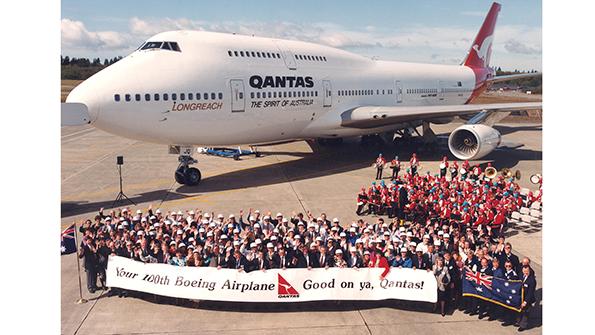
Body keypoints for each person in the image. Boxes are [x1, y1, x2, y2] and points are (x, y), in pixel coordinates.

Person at [518, 265, 536, 331]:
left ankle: (523, 326)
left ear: (529, 271)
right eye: (524, 271)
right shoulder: (521, 276)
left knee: (525, 312)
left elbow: (530, 293)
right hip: (521, 297)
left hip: (527, 299)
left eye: (527, 271)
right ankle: (519, 322)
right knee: (520, 311)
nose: (525, 272)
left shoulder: (532, 280)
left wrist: (525, 302)